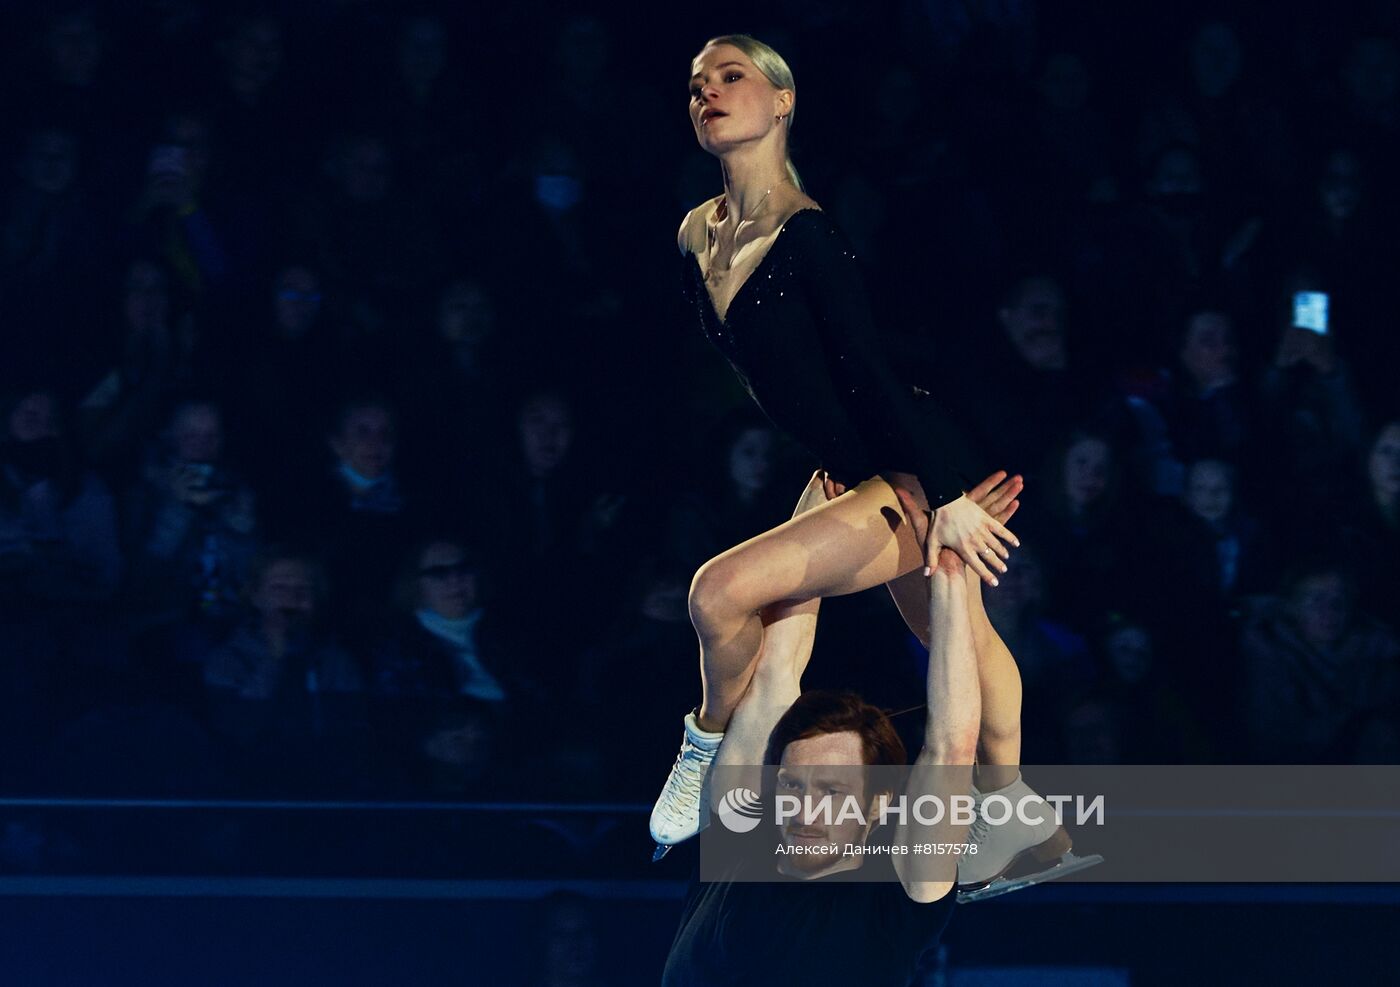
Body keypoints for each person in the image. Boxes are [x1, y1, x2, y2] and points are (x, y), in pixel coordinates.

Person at [652, 34, 1019, 852]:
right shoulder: (693, 236)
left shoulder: (807, 235)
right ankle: (1020, 816)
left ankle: (703, 742)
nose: (708, 91)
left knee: (718, 593)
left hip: (911, 461)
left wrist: (950, 496)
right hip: (857, 471)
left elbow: (873, 375)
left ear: (782, 101)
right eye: (696, 83)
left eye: (732, 77)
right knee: (954, 635)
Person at [662, 474, 1080, 985]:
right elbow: (777, 675)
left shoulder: (899, 892)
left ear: (878, 802)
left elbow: (950, 743)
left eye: (833, 792)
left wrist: (949, 567)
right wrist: (819, 514)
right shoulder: (740, 836)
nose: (805, 807)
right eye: (793, 785)